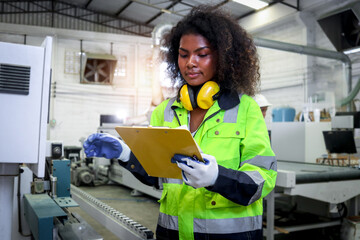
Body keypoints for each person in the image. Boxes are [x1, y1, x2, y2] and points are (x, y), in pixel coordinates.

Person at [83, 5, 277, 240]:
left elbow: (262, 179)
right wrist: (125, 154)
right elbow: (158, 175)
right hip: (172, 233)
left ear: (223, 57)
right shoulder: (165, 111)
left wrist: (218, 178)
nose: (190, 63)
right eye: (184, 54)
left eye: (202, 54)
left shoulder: (246, 109)